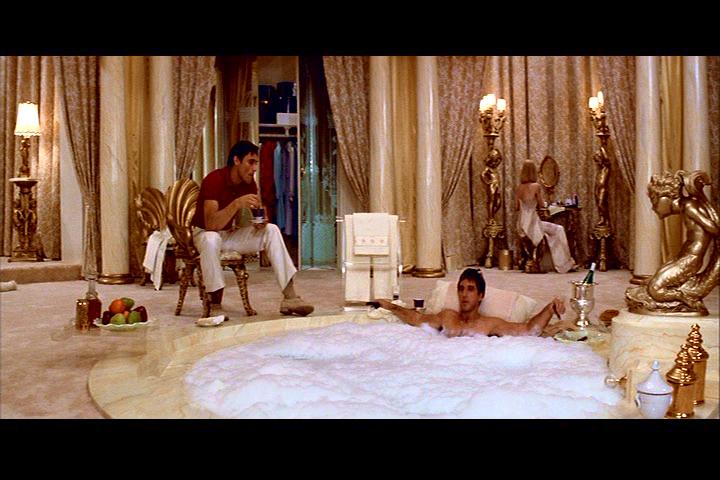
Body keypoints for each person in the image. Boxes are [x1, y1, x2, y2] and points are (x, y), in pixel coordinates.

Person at [191, 140, 314, 316]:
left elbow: (260, 214)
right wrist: (236, 204)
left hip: (228, 234)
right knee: (211, 239)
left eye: (256, 163)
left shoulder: (248, 183)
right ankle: (215, 303)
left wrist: (261, 221)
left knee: (271, 230)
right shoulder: (214, 179)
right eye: (251, 162)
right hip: (203, 234)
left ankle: (290, 298)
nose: (254, 168)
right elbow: (211, 225)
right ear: (236, 160)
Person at [625, 170, 719, 315]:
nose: (653, 207)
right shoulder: (687, 206)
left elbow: (712, 227)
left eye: (655, 200)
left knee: (655, 289)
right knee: (651, 283)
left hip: (690, 259)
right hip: (683, 257)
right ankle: (678, 294)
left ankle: (684, 298)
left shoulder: (689, 206)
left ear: (666, 197)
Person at [376, 268, 566, 337]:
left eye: (470, 289)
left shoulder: (490, 324)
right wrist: (391, 306)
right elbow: (417, 319)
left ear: (481, 295)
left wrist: (549, 308)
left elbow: (528, 330)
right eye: (461, 289)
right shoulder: (447, 317)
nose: (464, 294)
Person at [515, 160, 576, 273]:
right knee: (559, 229)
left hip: (522, 224)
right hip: (533, 225)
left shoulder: (519, 188)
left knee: (549, 230)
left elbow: (517, 207)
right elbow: (542, 205)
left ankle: (549, 263)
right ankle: (564, 264)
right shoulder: (536, 186)